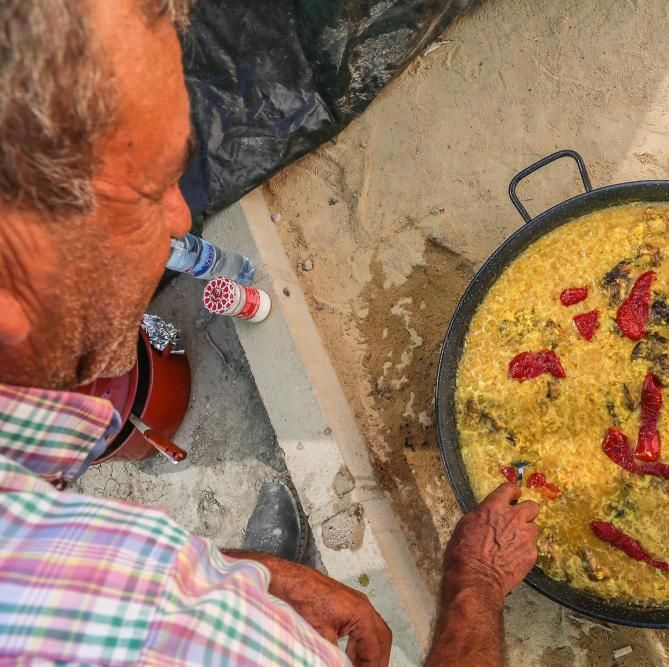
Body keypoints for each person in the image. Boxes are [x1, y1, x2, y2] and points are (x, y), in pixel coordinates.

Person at [0, 1, 538, 665]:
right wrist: (474, 585)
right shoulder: (163, 626)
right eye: (145, 195)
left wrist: (246, 575)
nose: (179, 221)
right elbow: (147, 619)